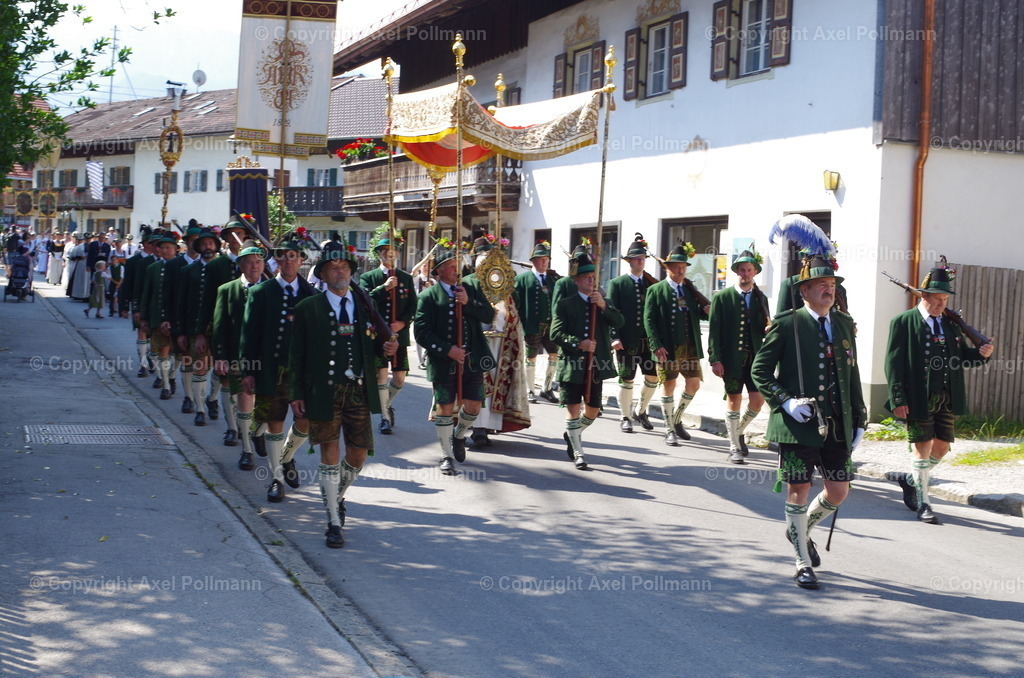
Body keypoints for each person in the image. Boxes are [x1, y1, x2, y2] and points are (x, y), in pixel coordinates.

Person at [751, 255, 866, 590]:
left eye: (832, 286)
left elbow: (852, 373)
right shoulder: (787, 323)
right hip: (799, 424)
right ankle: (802, 560)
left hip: (838, 423)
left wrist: (859, 418)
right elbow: (760, 371)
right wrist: (786, 402)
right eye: (822, 286)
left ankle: (797, 529)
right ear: (805, 291)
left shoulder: (843, 324)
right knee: (799, 489)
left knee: (838, 491)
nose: (829, 291)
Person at [289, 246, 398, 548]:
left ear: (351, 272)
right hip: (323, 390)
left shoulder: (365, 305)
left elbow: (371, 346)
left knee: (359, 453)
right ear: (322, 275)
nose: (340, 272)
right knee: (329, 454)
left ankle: (336, 495)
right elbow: (296, 355)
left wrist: (385, 349)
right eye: (333, 268)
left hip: (359, 391)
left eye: (344, 267)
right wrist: (296, 392)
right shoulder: (308, 307)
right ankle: (332, 522)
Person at [884, 264, 995, 524]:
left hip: (947, 395)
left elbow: (961, 357)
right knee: (921, 447)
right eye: (937, 299)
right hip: (917, 397)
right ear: (923, 296)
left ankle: (911, 481)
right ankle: (924, 504)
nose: (941, 304)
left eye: (945, 300)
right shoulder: (903, 322)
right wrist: (898, 398)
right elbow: (893, 363)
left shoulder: (950, 324)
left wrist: (982, 354)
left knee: (942, 448)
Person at [241, 232, 315, 503]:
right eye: (281, 255)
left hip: (302, 372)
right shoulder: (261, 292)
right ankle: (276, 478)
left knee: (305, 423)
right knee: (274, 423)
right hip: (271, 368)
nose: (287, 260)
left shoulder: (312, 294)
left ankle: (287, 457)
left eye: (292, 256)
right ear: (276, 261)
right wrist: (248, 370)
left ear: (301, 260)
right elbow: (249, 335)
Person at [413, 241, 495, 475]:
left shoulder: (470, 288)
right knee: (445, 408)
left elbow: (488, 314)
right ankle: (445, 455)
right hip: (444, 361)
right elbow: (421, 332)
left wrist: (468, 303)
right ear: (438, 271)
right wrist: (448, 349)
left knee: (474, 405)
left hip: (472, 358)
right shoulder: (428, 296)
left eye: (455, 264)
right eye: (449, 265)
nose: (454, 269)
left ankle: (459, 436)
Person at [550, 252, 623, 470]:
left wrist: (603, 306)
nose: (591, 280)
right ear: (576, 281)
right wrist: (579, 343)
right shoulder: (565, 304)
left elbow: (620, 321)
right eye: (586, 277)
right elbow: (555, 334)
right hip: (573, 365)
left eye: (593, 276)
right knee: (573, 408)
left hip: (596, 366)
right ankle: (579, 452)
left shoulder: (602, 302)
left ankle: (573, 433)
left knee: (592, 410)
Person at [463, 236, 531, 447]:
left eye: (489, 259)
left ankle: (489, 425)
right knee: (479, 383)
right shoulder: (468, 282)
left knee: (496, 384)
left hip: (501, 341)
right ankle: (477, 428)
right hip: (477, 340)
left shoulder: (504, 281)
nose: (486, 263)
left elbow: (514, 307)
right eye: (482, 259)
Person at [643, 243, 710, 446]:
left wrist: (705, 310)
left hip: (690, 346)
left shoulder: (689, 290)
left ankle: (677, 418)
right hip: (668, 347)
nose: (680, 270)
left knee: (694, 384)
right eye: (676, 267)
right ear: (667, 267)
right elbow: (649, 320)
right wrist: (656, 345)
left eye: (683, 267)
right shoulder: (656, 290)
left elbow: (694, 314)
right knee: (669, 385)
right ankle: (669, 428)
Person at [709, 249, 770, 463]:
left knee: (757, 401)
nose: (745, 273)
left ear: (755, 272)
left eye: (749, 270)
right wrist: (715, 359)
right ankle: (734, 446)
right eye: (742, 270)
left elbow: (765, 326)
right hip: (731, 359)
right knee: (734, 399)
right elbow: (714, 330)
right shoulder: (723, 297)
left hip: (755, 359)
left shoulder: (760, 297)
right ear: (737, 272)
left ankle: (738, 431)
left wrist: (768, 329)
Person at [213, 241, 267, 468]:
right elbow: (219, 326)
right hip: (238, 356)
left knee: (267, 405)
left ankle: (258, 432)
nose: (254, 266)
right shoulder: (227, 290)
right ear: (241, 265)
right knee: (244, 401)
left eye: (258, 262)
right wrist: (220, 356)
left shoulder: (274, 289)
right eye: (249, 262)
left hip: (267, 357)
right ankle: (246, 450)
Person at [360, 235, 416, 435]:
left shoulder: (406, 277)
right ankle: (384, 417)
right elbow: (365, 301)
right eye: (384, 251)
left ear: (397, 253)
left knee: (399, 378)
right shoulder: (369, 277)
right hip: (378, 336)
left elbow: (413, 306)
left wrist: (402, 322)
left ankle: (387, 403)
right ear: (379, 254)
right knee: (381, 375)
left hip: (398, 336)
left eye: (392, 251)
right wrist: (384, 288)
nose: (388, 254)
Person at [605, 234, 658, 434]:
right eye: (637, 258)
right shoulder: (618, 283)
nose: (640, 261)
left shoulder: (651, 284)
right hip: (626, 340)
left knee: (653, 378)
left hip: (648, 342)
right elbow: (612, 312)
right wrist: (614, 337)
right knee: (627, 379)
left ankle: (641, 411)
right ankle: (625, 416)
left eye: (643, 258)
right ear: (629, 261)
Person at [176, 228, 223, 426]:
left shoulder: (224, 268)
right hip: (196, 327)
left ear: (216, 245)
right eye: (203, 244)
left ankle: (212, 399)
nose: (207, 247)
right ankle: (200, 408)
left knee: (220, 369)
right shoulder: (188, 271)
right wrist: (180, 331)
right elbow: (181, 301)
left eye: (211, 243)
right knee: (199, 367)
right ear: (198, 247)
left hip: (221, 327)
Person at [513, 240, 560, 405]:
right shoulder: (522, 279)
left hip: (551, 326)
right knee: (530, 358)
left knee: (554, 356)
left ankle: (547, 388)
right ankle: (530, 390)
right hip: (532, 326)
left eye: (546, 259)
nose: (544, 262)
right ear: (533, 261)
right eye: (541, 259)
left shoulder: (553, 279)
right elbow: (515, 303)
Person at [139, 229, 182, 399]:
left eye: (168, 247)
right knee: (161, 351)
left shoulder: (182, 266)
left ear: (175, 249)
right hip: (157, 316)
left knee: (177, 352)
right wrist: (143, 316)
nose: (164, 250)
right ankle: (165, 384)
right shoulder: (153, 268)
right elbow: (146, 293)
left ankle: (171, 375)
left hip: (178, 317)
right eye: (162, 247)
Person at [122, 227, 157, 377]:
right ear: (144, 243)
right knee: (141, 332)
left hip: (155, 302)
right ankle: (142, 364)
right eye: (150, 243)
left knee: (154, 335)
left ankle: (151, 357)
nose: (152, 246)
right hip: (140, 300)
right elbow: (128, 285)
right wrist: (126, 306)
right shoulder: (134, 262)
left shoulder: (161, 260)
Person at [65, 232, 90, 301]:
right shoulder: (79, 247)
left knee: (87, 281)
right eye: (86, 239)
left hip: (88, 265)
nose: (88, 240)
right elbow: (72, 257)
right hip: (80, 265)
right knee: (79, 280)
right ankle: (78, 294)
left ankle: (87, 295)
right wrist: (80, 257)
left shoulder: (92, 246)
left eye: (89, 239)